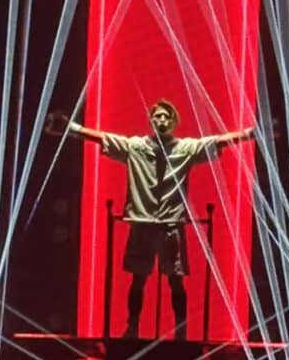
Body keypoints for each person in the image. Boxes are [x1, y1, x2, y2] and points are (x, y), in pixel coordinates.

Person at [45, 99, 255, 339]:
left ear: (173, 122)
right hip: (143, 222)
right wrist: (71, 129)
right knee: (139, 279)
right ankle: (133, 325)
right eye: (158, 117)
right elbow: (102, 138)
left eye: (166, 117)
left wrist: (249, 134)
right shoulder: (136, 146)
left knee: (175, 280)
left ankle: (180, 328)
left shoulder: (185, 149)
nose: (162, 120)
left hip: (170, 224)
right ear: (151, 120)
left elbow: (219, 141)